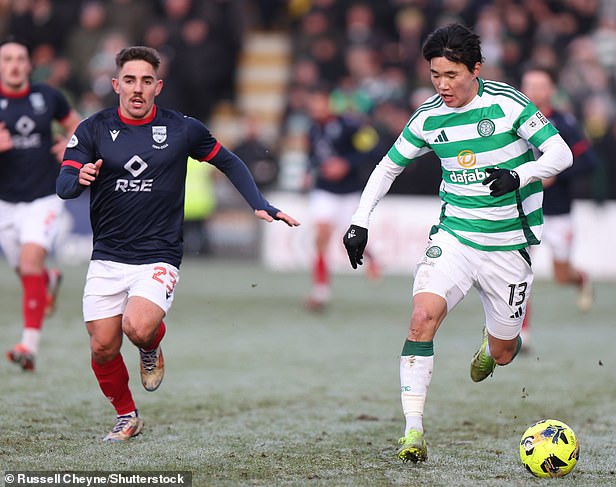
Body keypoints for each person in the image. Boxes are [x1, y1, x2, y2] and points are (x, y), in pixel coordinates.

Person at [342, 24, 573, 463]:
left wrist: (518, 176)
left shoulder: (509, 105)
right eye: (435, 75)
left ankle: (492, 345)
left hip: (509, 246)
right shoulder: (428, 116)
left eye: (452, 75)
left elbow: (562, 154)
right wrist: (360, 221)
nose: (443, 85)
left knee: (505, 354)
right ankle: (413, 431)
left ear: (476, 69)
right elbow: (386, 168)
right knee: (420, 319)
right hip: (455, 238)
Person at [56, 46, 299, 442]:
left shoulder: (183, 128)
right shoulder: (92, 129)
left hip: (159, 253)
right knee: (102, 347)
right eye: (130, 80)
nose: (137, 89)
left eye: (146, 81)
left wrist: (259, 204)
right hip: (107, 257)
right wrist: (78, 176)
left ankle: (150, 344)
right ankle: (127, 416)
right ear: (116, 84)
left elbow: (229, 161)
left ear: (158, 86)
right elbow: (64, 184)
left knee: (137, 327)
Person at [0, 36, 81, 371]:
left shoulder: (47, 96)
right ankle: (47, 281)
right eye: (7, 59)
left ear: (29, 65)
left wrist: (70, 145)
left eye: (21, 58)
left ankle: (28, 346)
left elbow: (78, 125)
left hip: (44, 196)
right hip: (5, 201)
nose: (15, 64)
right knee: (25, 269)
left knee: (30, 264)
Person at [519, 66, 599, 349]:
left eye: (539, 85)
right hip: (526, 210)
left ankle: (581, 279)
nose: (532, 90)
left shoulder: (564, 124)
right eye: (528, 84)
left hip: (558, 211)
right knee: (519, 272)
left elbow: (589, 162)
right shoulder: (516, 120)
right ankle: (521, 334)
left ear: (550, 90)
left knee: (561, 275)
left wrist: (555, 174)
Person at [304, 82, 381, 312]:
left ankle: (373, 258)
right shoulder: (313, 129)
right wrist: (309, 171)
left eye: (319, 103)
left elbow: (372, 148)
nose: (315, 108)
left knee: (349, 237)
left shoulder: (350, 126)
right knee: (321, 234)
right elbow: (314, 156)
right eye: (313, 104)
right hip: (324, 190)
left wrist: (346, 164)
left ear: (330, 104)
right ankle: (321, 290)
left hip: (348, 192)